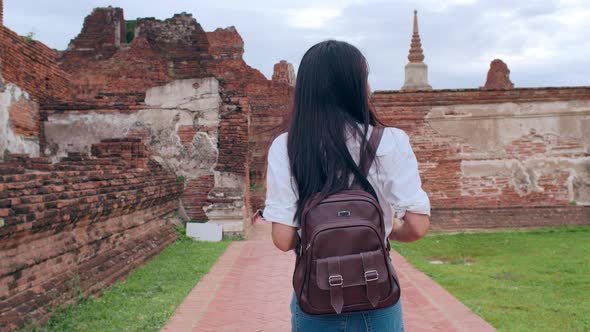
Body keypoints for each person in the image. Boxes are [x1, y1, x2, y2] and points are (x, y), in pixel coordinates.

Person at [263, 40, 431, 332]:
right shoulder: (389, 141)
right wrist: (383, 229)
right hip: (377, 294)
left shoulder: (287, 146)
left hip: (314, 296)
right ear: (357, 85)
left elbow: (283, 239)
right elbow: (416, 227)